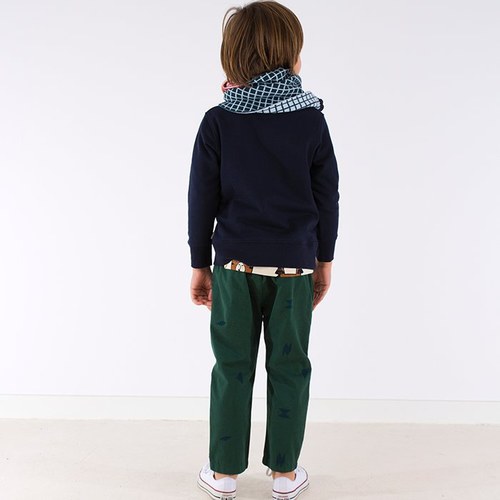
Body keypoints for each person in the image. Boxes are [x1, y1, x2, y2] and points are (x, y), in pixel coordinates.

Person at [188, 1, 340, 498]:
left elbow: (201, 199)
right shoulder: (310, 120)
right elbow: (327, 198)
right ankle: (285, 475)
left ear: (231, 57)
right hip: (295, 268)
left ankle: (224, 474)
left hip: (233, 266)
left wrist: (199, 265)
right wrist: (324, 260)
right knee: (290, 367)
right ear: (291, 57)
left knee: (232, 366)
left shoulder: (218, 121)